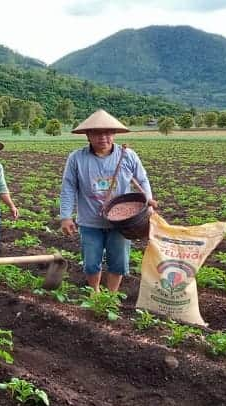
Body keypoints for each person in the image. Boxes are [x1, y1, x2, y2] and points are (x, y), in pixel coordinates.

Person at [59, 109, 157, 293]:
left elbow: (142, 179)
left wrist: (148, 201)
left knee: (118, 262)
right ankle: (95, 293)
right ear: (87, 135)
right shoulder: (76, 159)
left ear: (114, 134)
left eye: (107, 132)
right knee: (91, 262)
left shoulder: (128, 155)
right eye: (96, 132)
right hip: (90, 221)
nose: (102, 137)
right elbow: (68, 187)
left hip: (122, 223)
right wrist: (65, 216)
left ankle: (111, 295)